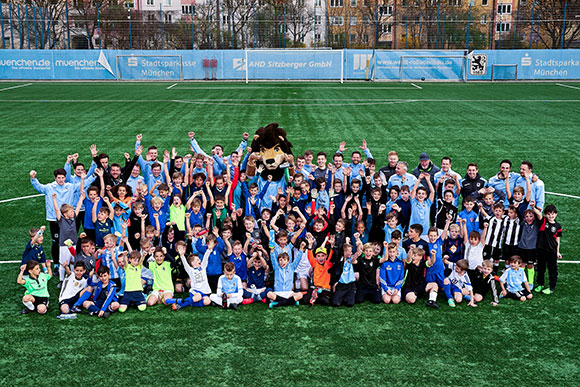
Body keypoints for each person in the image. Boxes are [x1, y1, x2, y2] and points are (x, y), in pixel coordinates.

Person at [30, 168, 83, 269]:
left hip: (69, 220)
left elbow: (82, 185)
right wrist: (33, 178)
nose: (61, 180)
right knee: (56, 242)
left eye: (63, 178)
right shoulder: (49, 187)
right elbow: (39, 187)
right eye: (59, 178)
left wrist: (92, 176)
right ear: (55, 178)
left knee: (71, 241)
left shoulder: (70, 187)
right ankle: (56, 265)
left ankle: (72, 263)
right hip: (54, 220)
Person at [52, 187, 85, 285]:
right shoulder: (61, 220)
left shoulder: (73, 217)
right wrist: (54, 199)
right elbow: (57, 210)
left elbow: (78, 207)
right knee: (63, 263)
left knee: (73, 262)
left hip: (74, 243)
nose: (72, 212)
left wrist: (81, 198)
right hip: (64, 245)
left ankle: (72, 277)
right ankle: (61, 280)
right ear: (65, 214)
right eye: (70, 211)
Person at [534, 204, 562, 295]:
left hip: (552, 251)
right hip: (541, 250)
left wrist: (557, 251)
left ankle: (551, 287)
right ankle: (540, 284)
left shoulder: (558, 226)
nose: (551, 216)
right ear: (546, 214)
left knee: (552, 270)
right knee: (541, 268)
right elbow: (538, 214)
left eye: (553, 214)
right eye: (549, 214)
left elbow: (557, 239)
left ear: (556, 214)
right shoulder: (543, 221)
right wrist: (533, 207)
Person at [332, 240, 363, 307]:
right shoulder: (339, 260)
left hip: (350, 285)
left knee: (350, 304)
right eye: (350, 251)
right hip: (341, 285)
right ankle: (342, 296)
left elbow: (354, 259)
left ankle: (347, 296)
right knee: (335, 303)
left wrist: (358, 248)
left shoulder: (351, 259)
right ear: (345, 252)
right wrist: (335, 283)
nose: (351, 253)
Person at [409, 173, 435, 238]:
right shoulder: (414, 202)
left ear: (426, 196)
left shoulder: (428, 203)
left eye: (423, 194)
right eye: (419, 193)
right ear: (416, 195)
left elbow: (432, 192)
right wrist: (419, 179)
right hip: (413, 230)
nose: (421, 195)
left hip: (424, 231)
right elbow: (414, 189)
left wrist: (428, 180)